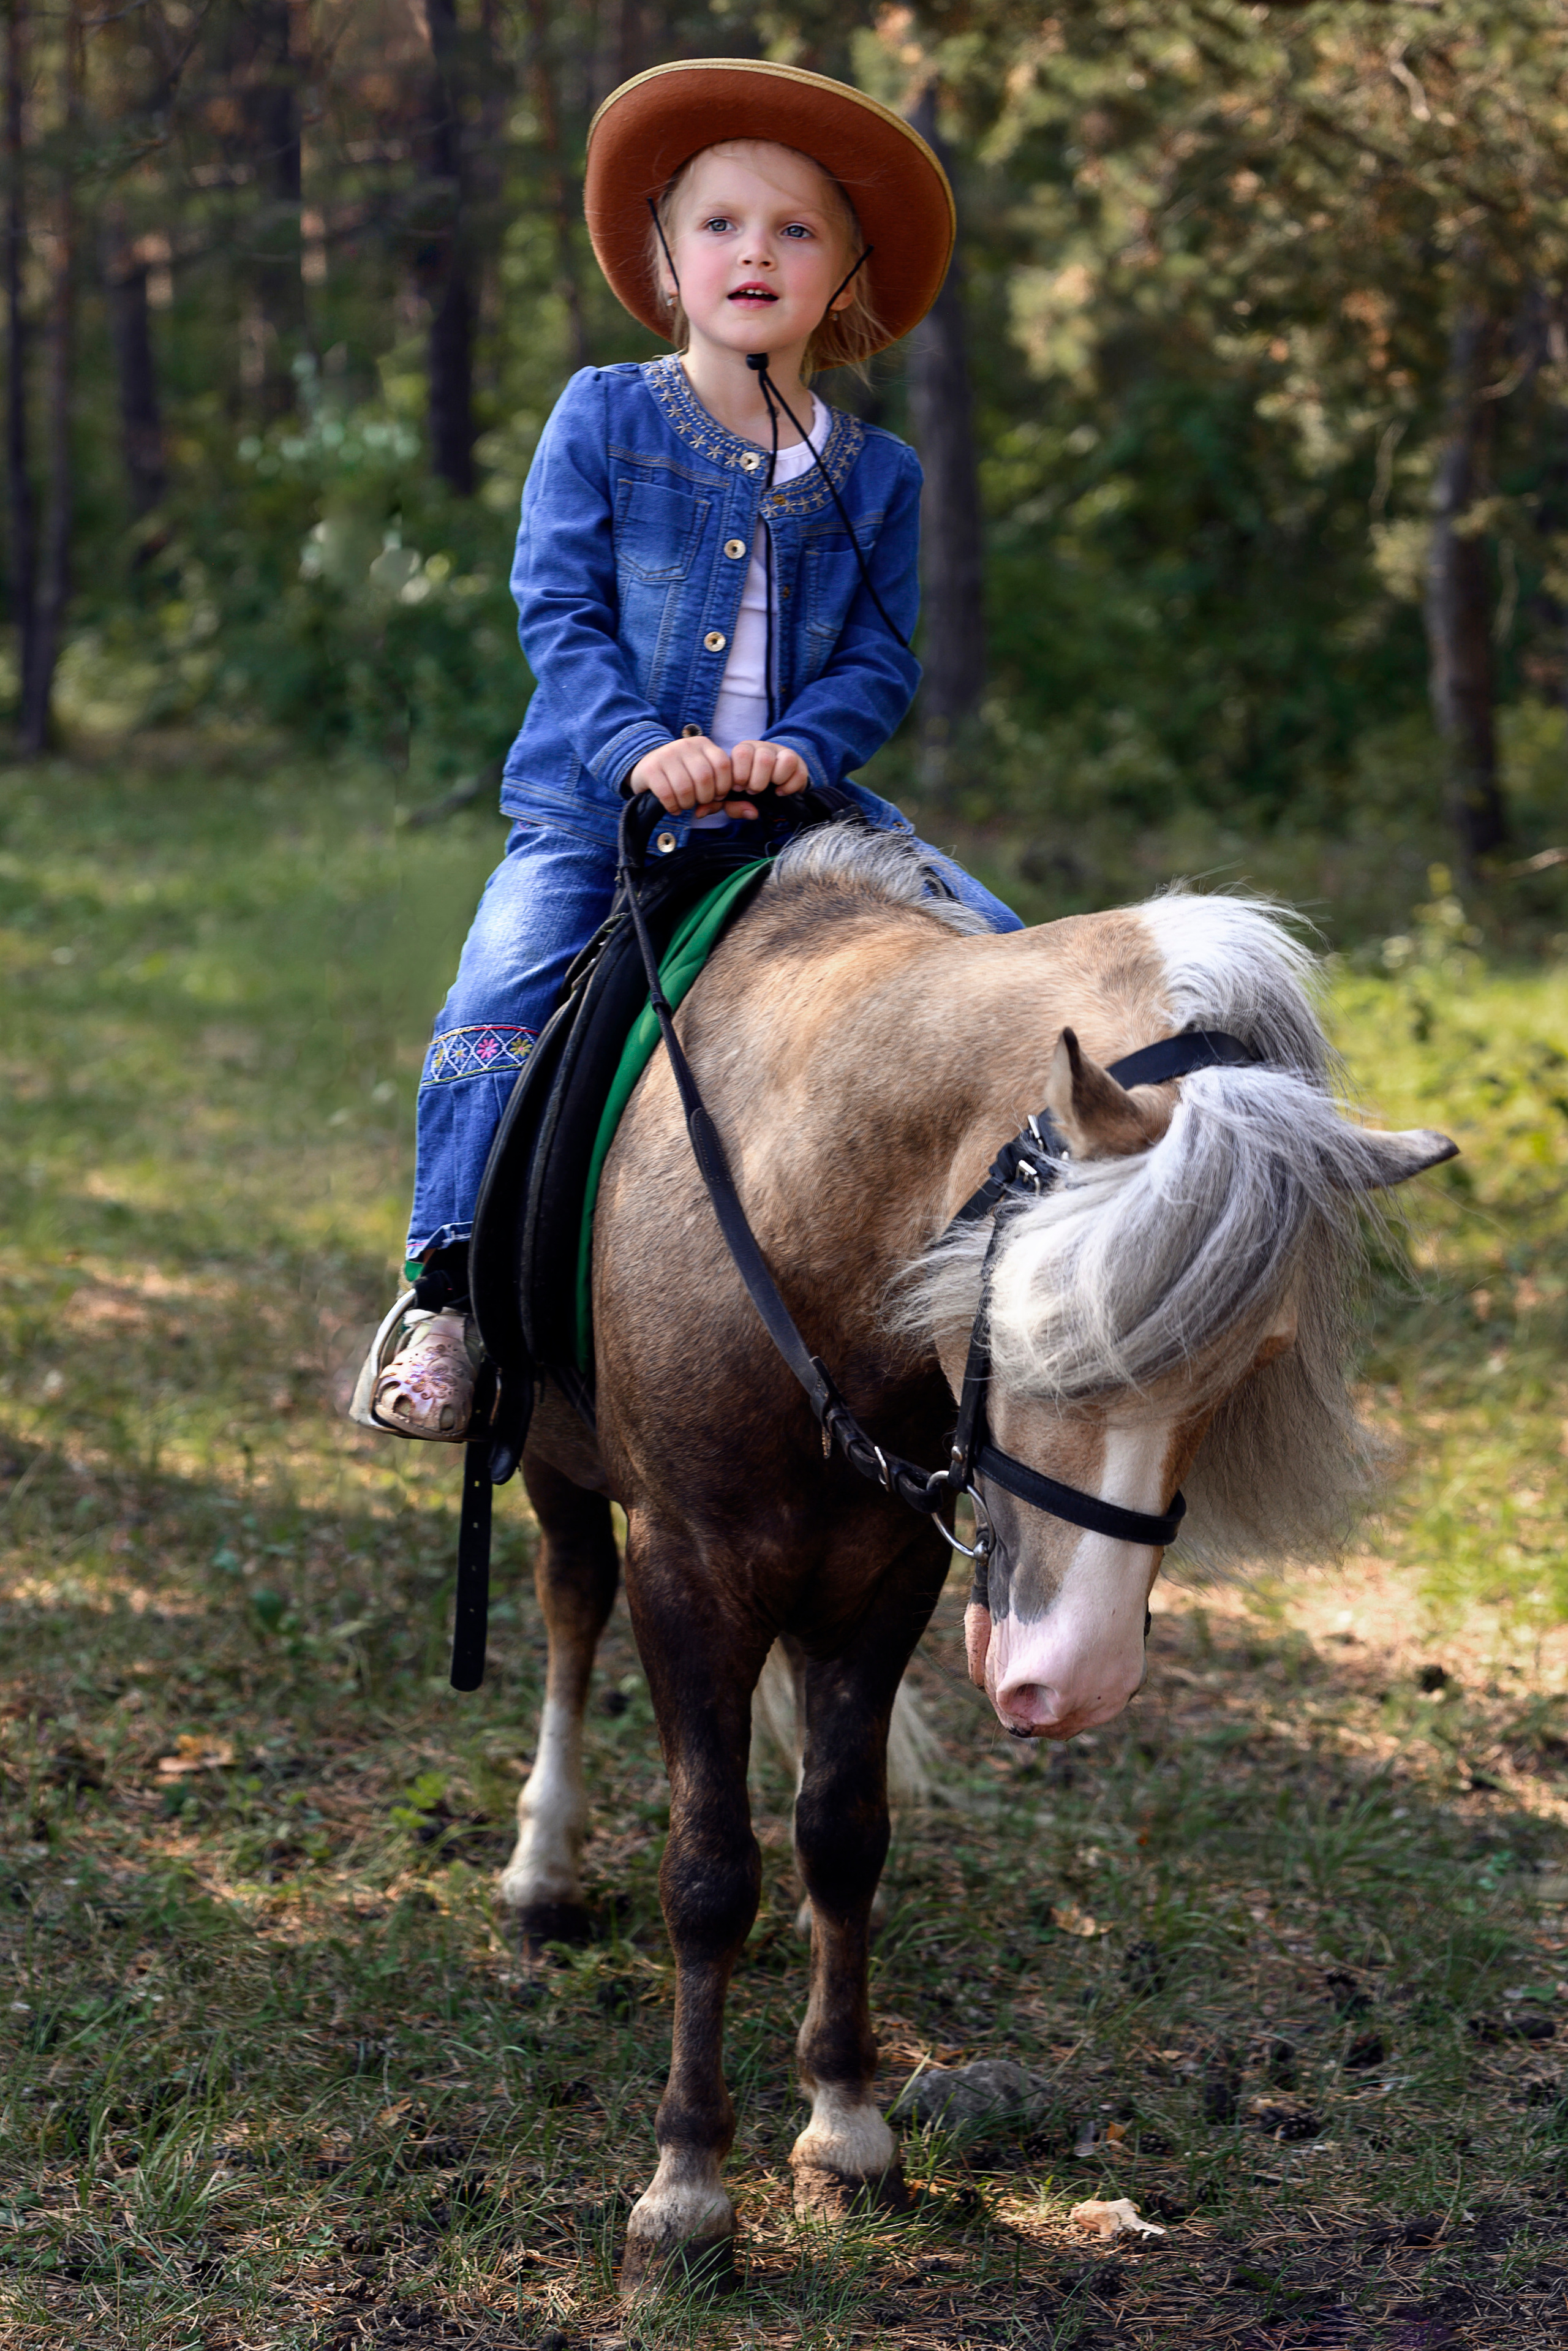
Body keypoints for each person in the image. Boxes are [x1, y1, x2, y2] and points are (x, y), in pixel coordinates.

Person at [365, 56, 1022, 1441]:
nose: (754, 253)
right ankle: (449, 1298)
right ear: (665, 263)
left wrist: (799, 744)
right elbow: (559, 604)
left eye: (795, 231)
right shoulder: (603, 415)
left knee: (1009, 955)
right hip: (595, 814)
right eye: (720, 223)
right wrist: (632, 748)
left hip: (795, 811)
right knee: (495, 997)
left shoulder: (878, 474)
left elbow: (877, 657)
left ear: (842, 280)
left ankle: (1032, 1297)